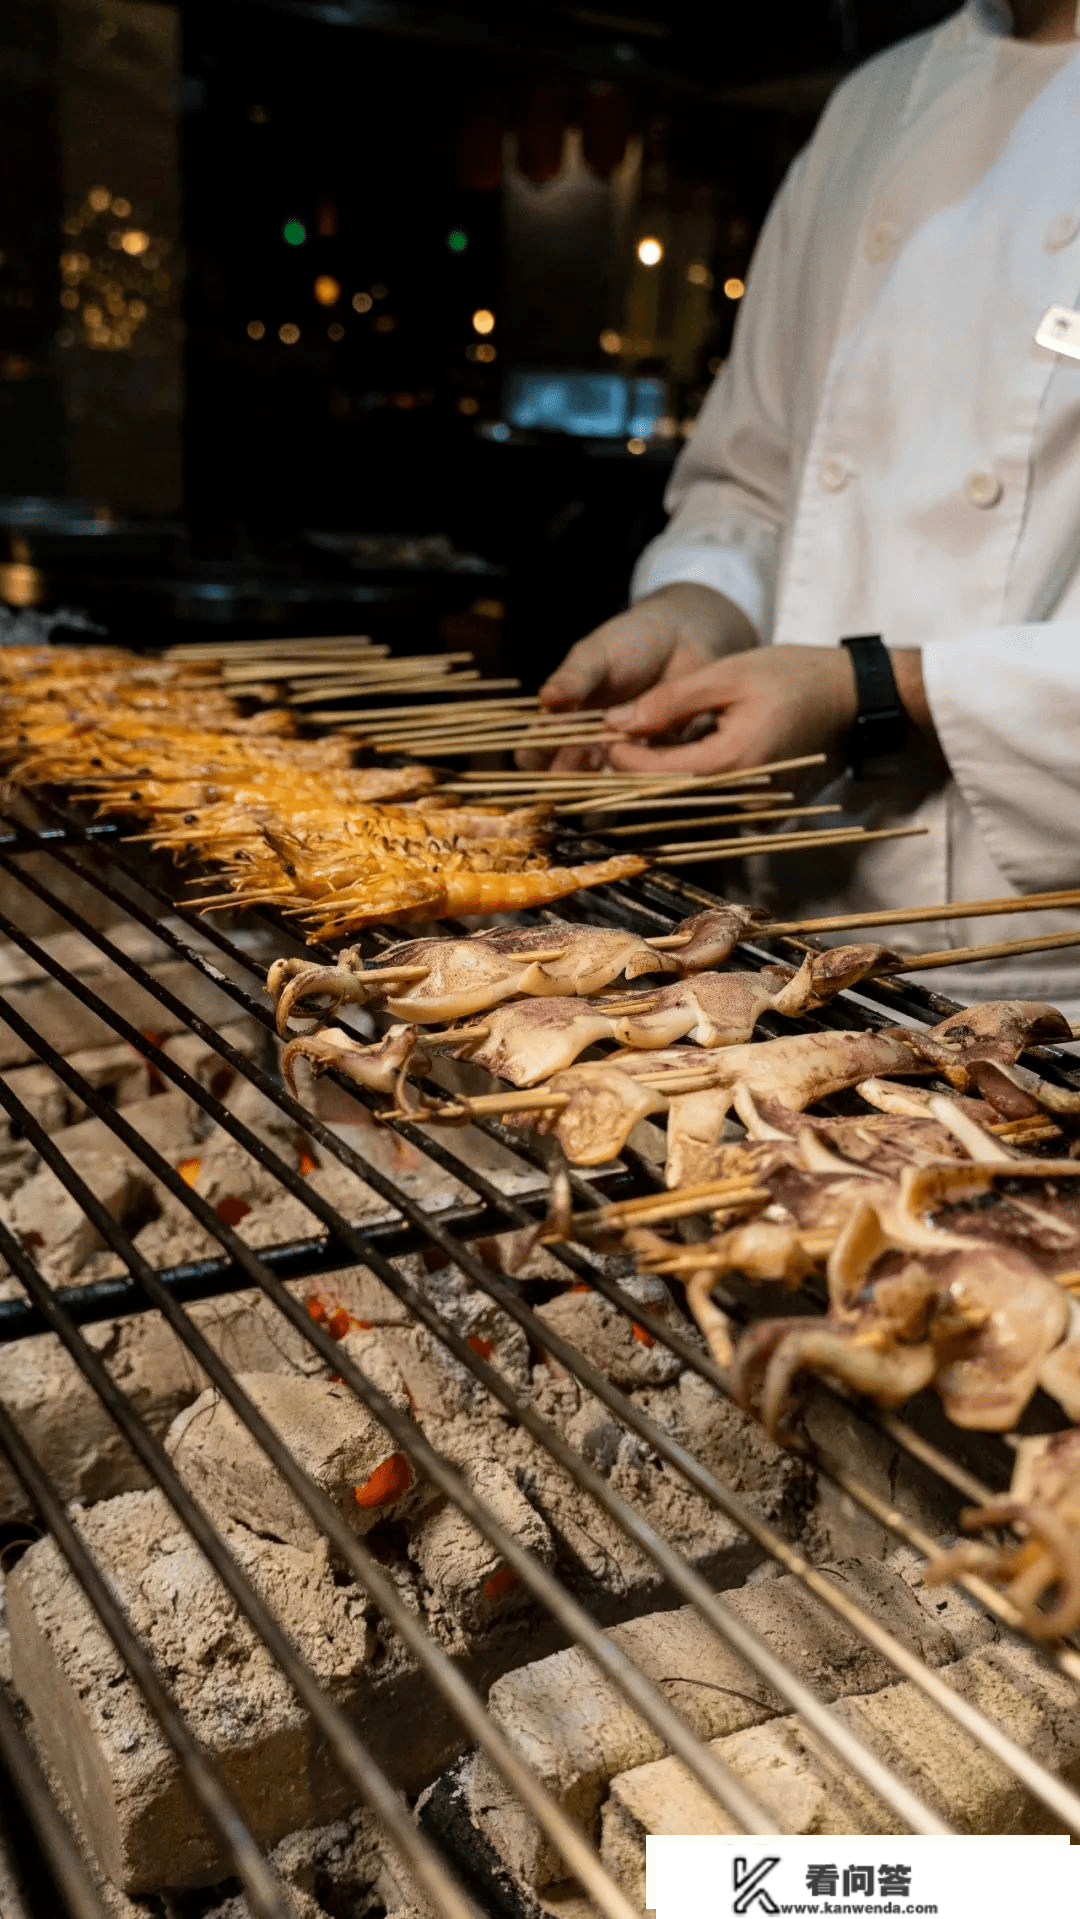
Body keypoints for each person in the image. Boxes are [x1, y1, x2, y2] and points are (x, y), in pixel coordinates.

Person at [538, 0, 1080, 1012]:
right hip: (778, 920)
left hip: (1038, 971)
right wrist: (696, 609)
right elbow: (750, 478)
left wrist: (872, 689)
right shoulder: (872, 106)